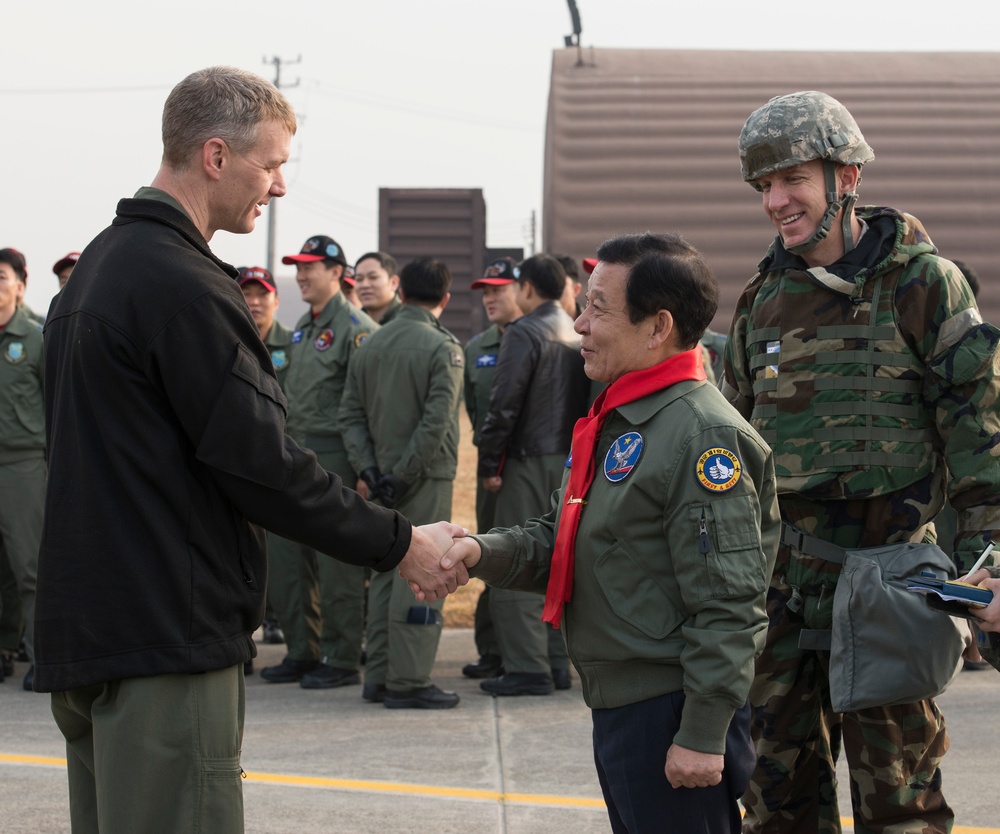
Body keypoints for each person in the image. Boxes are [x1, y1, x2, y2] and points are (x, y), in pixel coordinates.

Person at [35, 65, 465, 834]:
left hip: (95, 633)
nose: (278, 188)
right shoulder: (185, 288)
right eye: (271, 165)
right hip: (163, 642)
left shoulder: (95, 273)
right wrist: (400, 542)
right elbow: (261, 466)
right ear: (215, 156)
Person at [722, 90, 1000, 834]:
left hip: (891, 586)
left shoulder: (923, 285)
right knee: (776, 806)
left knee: (900, 809)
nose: (777, 201)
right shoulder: (762, 301)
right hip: (783, 590)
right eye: (764, 187)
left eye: (792, 181)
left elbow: (984, 443)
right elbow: (737, 451)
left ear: (845, 177)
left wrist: (990, 568)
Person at [437, 231, 779, 833]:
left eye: (597, 308)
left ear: (657, 327)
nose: (579, 324)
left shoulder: (699, 436)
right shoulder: (623, 419)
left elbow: (729, 604)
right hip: (626, 703)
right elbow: (566, 535)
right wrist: (477, 550)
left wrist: (701, 733)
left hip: (669, 711)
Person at [340, 256, 465, 709]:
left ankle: (378, 676)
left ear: (403, 292)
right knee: (428, 572)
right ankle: (409, 680)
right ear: (445, 299)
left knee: (389, 568)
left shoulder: (370, 344)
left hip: (380, 479)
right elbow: (436, 424)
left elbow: (349, 413)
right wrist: (403, 475)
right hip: (424, 476)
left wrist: (371, 471)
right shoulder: (443, 348)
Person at [260, 235, 378, 690]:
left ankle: (342, 655)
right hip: (295, 452)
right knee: (289, 559)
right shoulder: (301, 329)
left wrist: (364, 469)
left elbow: (367, 406)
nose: (301, 275)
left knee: (337, 565)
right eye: (298, 267)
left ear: (336, 273)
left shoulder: (356, 328)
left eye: (310, 267)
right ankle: (301, 650)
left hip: (337, 458)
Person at [475, 253, 591, 695]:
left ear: (526, 288)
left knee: (514, 557)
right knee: (556, 561)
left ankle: (528, 667)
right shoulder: (572, 329)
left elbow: (503, 404)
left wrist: (490, 464)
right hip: (564, 460)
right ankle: (556, 662)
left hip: (525, 459)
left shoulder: (524, 331)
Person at [461, 257, 523, 680]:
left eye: (499, 289)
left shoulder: (540, 339)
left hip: (527, 467)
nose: (490, 298)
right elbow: (474, 408)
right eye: (486, 290)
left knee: (527, 556)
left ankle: (524, 652)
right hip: (490, 471)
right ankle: (492, 647)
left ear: (522, 291)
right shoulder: (476, 348)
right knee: (488, 552)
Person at [238, 264, 290, 649]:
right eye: (246, 294)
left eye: (261, 294)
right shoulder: (227, 337)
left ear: (276, 299)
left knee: (284, 547)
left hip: (285, 459)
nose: (254, 302)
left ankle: (277, 618)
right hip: (238, 459)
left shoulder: (296, 344)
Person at [0, 247, 44, 692]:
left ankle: (40, 650)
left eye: (1, 278)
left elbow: (56, 402)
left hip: (24, 463)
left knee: (29, 567)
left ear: (20, 285)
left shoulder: (34, 339)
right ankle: (3, 648)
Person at [354, 250, 401, 324]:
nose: (365, 285)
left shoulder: (407, 320)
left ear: (393, 283)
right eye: (359, 279)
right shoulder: (353, 320)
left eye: (373, 277)